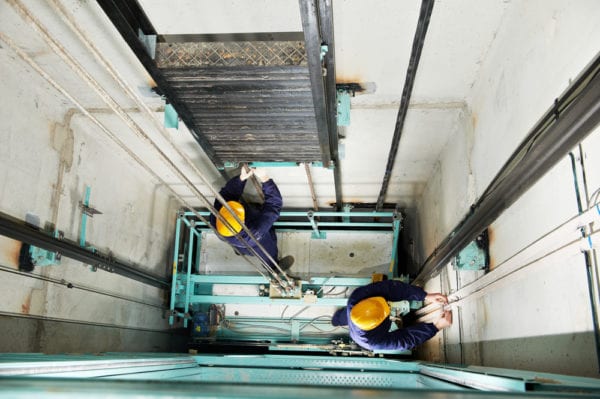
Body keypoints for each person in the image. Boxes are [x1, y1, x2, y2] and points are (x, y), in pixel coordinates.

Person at [210, 168, 294, 272]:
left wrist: (241, 179)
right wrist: (265, 179)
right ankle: (273, 267)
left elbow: (227, 193)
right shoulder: (255, 232)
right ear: (243, 222)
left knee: (242, 247)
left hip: (233, 240)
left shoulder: (217, 215)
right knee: (268, 249)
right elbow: (273, 206)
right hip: (252, 240)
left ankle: (240, 250)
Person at [331, 279, 452, 351]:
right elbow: (405, 339)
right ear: (376, 324)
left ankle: (336, 319)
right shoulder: (372, 342)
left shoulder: (357, 297)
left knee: (344, 315)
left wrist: (425, 296)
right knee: (347, 318)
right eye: (387, 310)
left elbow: (392, 288)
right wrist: (435, 327)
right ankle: (337, 319)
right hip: (359, 333)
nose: (389, 307)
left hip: (353, 312)